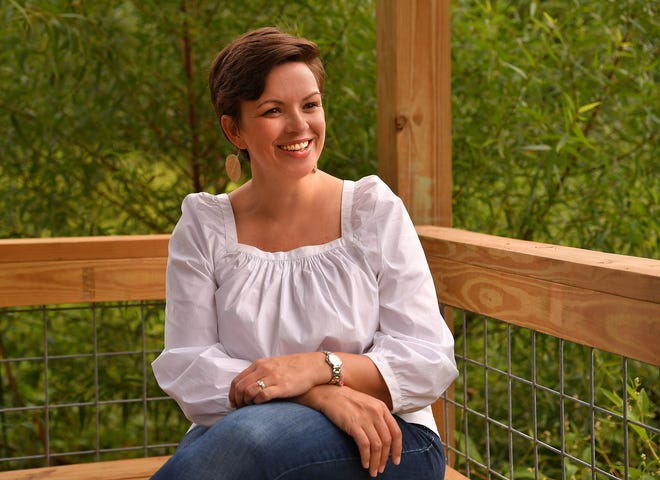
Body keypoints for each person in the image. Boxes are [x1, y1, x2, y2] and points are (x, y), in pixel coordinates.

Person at [151, 27, 458, 480]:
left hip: (387, 439)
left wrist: (319, 368)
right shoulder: (205, 227)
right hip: (245, 431)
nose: (300, 126)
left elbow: (427, 359)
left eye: (310, 105)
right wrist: (315, 394)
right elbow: (190, 369)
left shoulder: (371, 211)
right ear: (234, 129)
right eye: (273, 110)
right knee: (245, 441)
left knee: (249, 443)